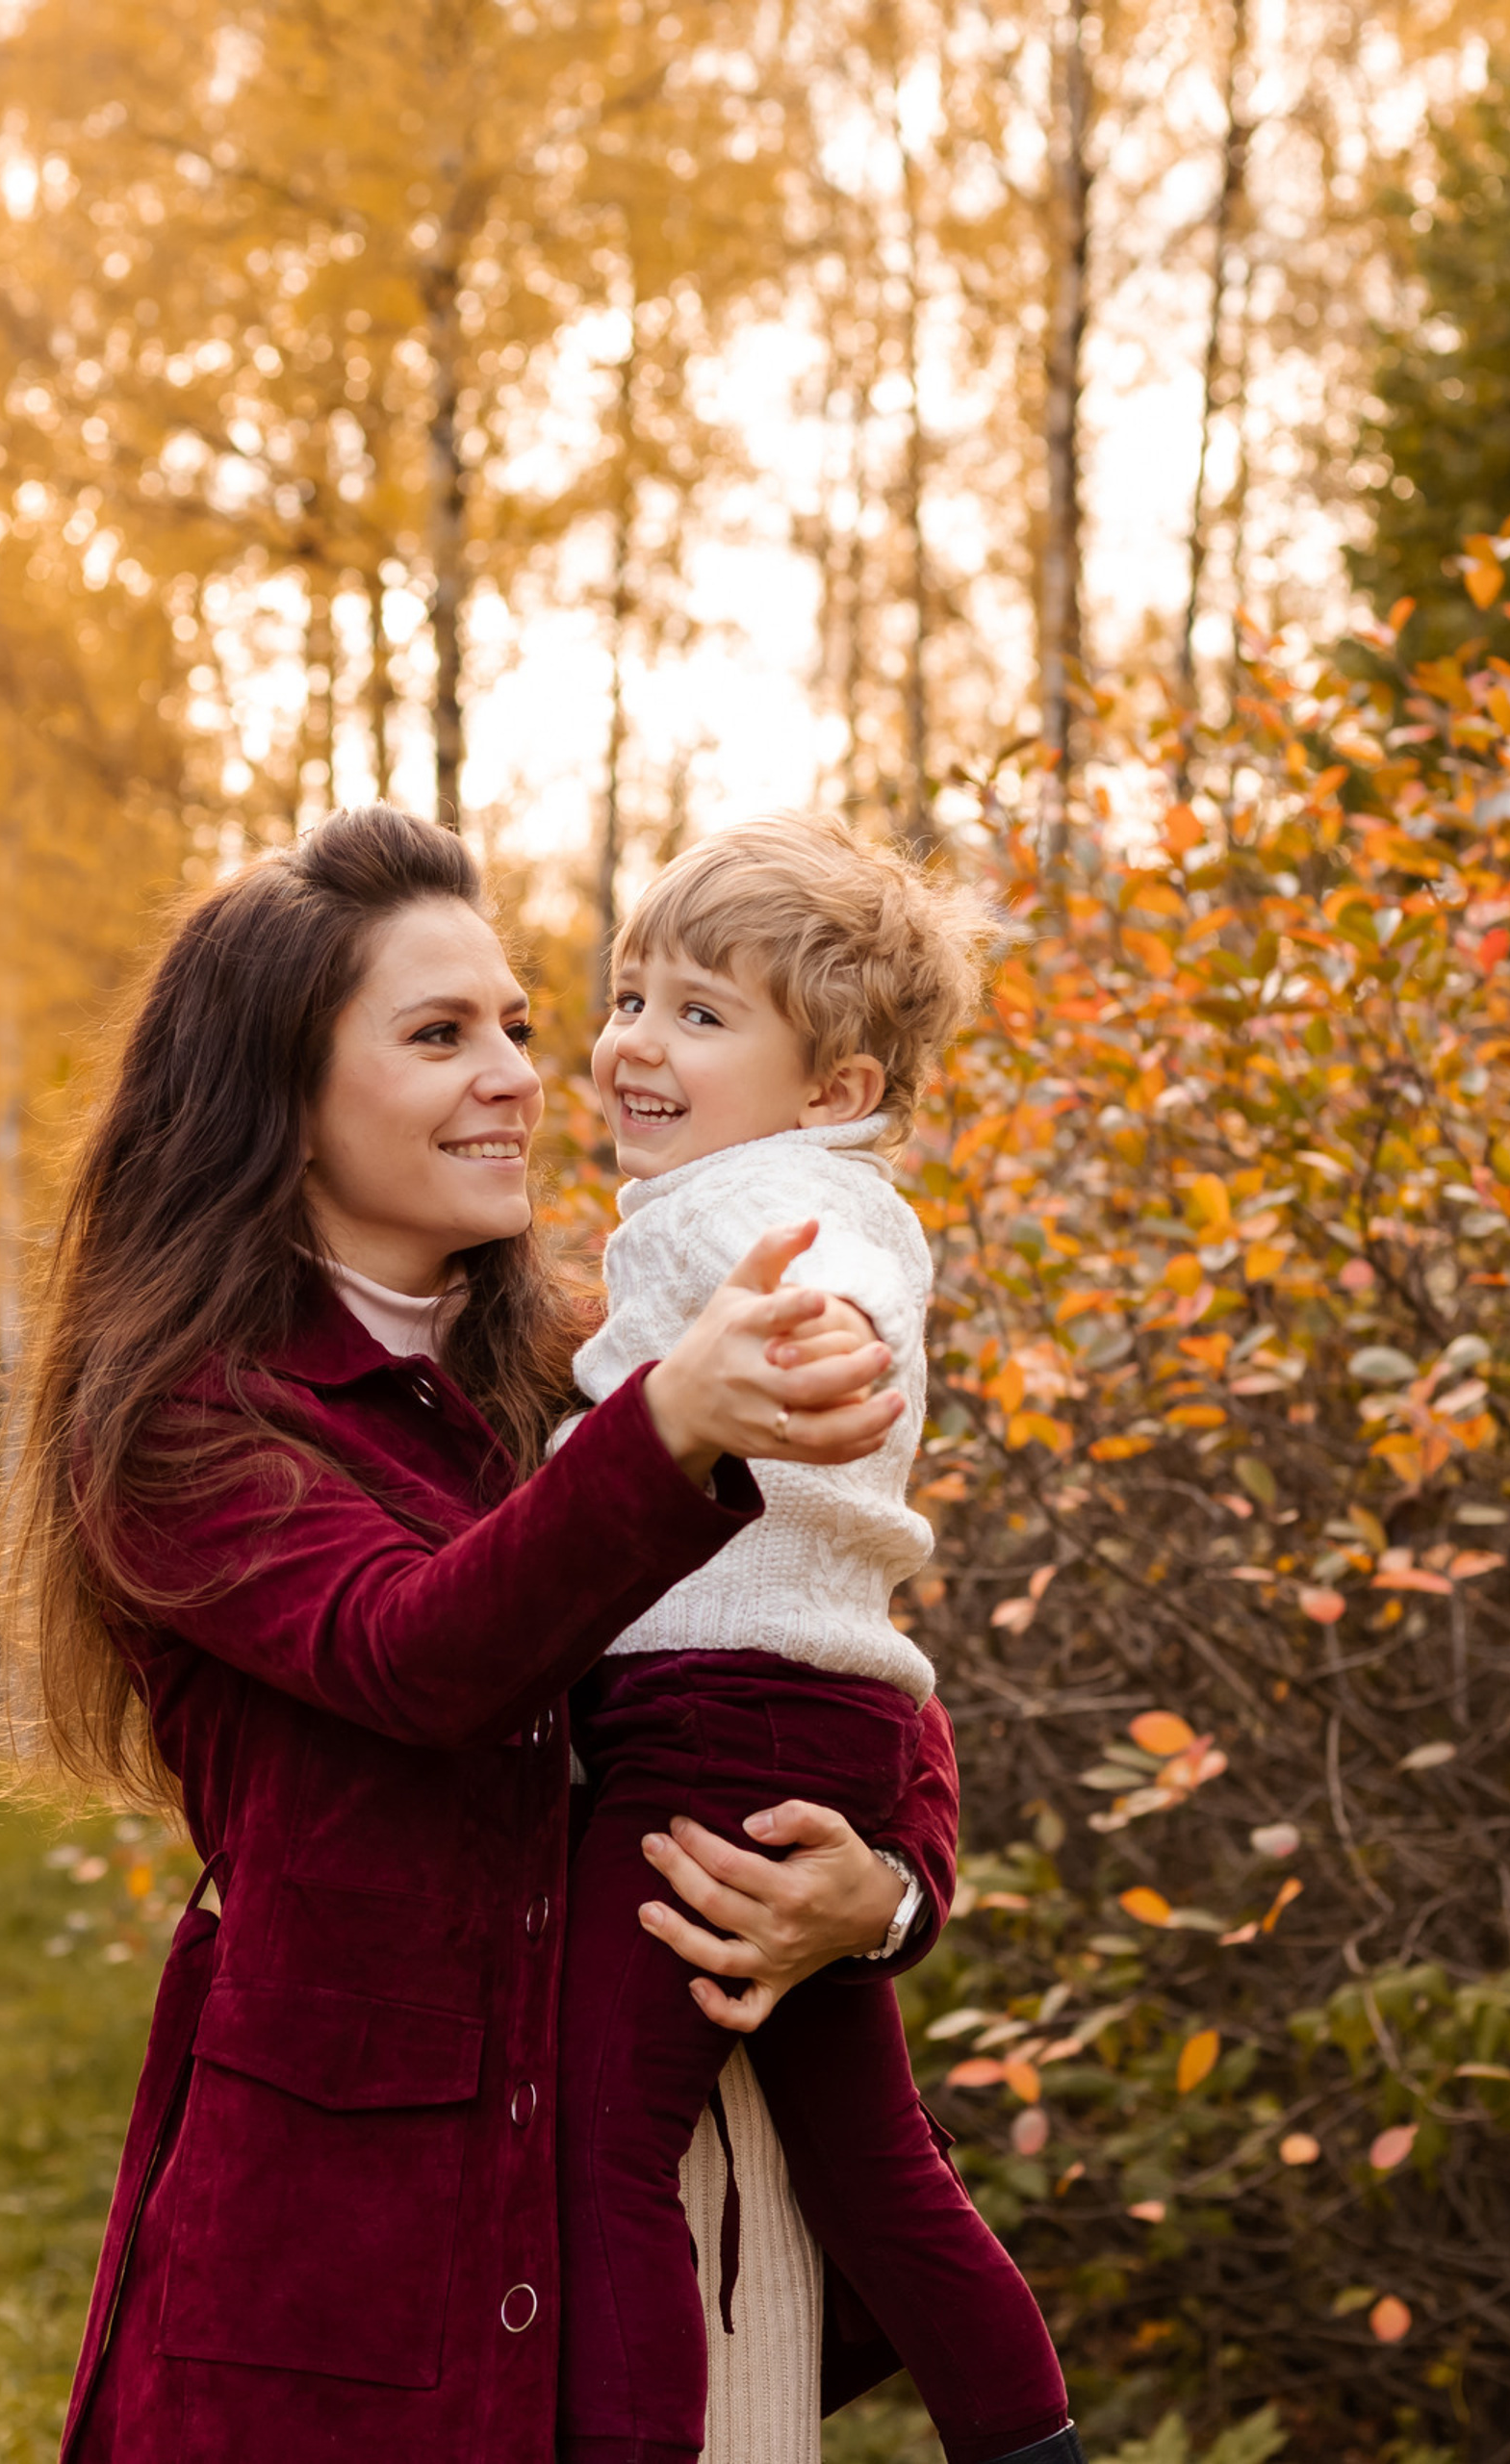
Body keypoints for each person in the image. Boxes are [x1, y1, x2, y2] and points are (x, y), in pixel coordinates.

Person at [0, 807, 970, 2463]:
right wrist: (670, 1433)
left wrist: (881, 1896)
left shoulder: (588, 1370)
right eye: (440, 1035)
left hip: (666, 2206)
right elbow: (414, 1653)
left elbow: (826, 1632)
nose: (523, 1073)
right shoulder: (182, 1426)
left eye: (517, 1024)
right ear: (281, 1098)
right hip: (346, 2265)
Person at [556, 817, 1077, 2464]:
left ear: (833, 1090)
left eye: (704, 1015)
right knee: (874, 2160)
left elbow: (830, 1272)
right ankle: (1027, 2442)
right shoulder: (731, 1188)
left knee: (605, 2138)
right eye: (632, 993)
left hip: (712, 1726)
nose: (637, 1041)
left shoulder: (773, 1201)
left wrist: (821, 1332)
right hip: (816, 1717)